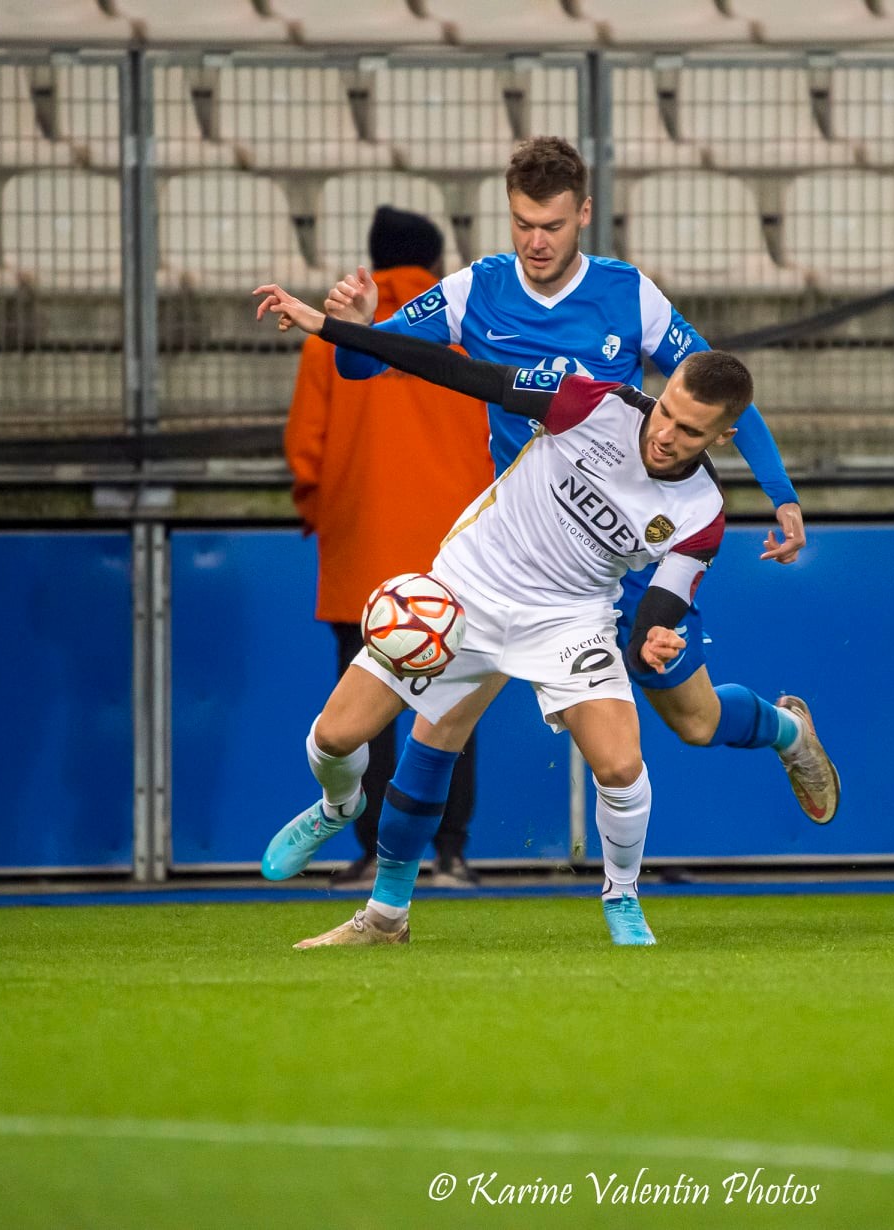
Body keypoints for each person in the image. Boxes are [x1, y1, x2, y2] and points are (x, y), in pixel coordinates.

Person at [322, 136, 840, 824]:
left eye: (553, 226)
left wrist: (782, 495)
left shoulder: (627, 294)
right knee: (438, 721)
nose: (536, 242)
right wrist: (357, 331)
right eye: (523, 225)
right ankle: (386, 910)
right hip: (520, 550)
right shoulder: (477, 289)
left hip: (627, 544)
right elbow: (364, 369)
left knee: (694, 721)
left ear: (584, 214)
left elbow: (719, 395)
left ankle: (787, 732)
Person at [254, 279, 759, 947]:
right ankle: (337, 805)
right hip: (466, 590)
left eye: (688, 429)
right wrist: (330, 328)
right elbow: (456, 369)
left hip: (570, 620)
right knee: (333, 738)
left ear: (721, 437)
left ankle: (622, 898)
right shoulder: (591, 404)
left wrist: (657, 639)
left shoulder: (701, 513)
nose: (663, 433)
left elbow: (661, 606)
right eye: (664, 410)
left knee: (620, 767)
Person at [282, 206, 494, 889]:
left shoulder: (336, 336)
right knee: (452, 704)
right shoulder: (468, 335)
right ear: (435, 263)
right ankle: (451, 852)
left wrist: (325, 517)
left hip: (362, 553)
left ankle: (373, 852)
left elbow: (304, 451)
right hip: (456, 558)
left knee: (364, 708)